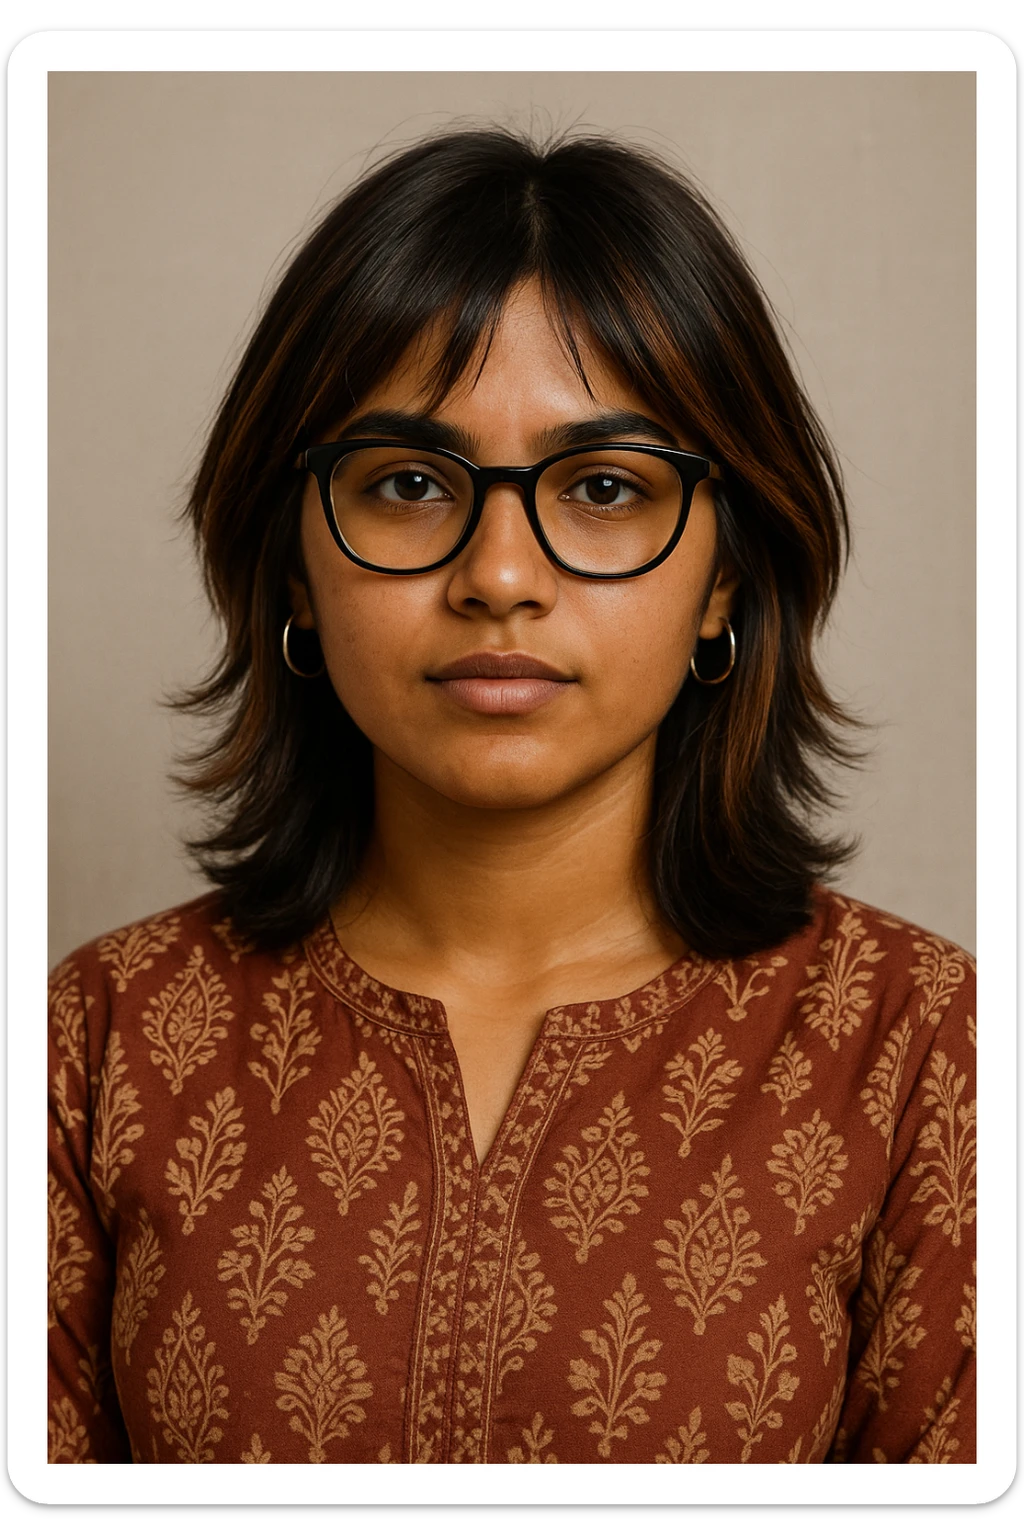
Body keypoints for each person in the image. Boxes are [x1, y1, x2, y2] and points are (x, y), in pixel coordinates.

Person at [47, 127, 975, 1466]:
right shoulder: (90, 1050)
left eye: (604, 488)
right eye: (410, 484)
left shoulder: (921, 1052)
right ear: (294, 567)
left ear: (725, 579)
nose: (499, 574)